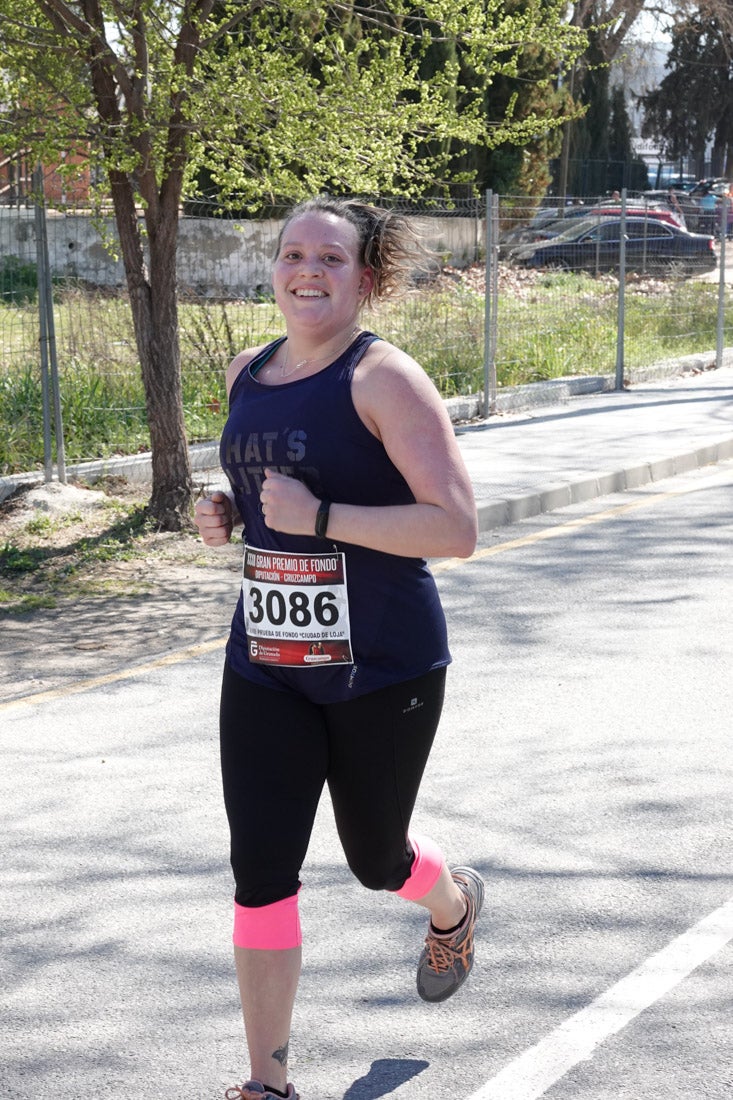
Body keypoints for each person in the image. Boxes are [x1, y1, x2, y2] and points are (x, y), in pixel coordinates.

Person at [194, 196, 484, 1100]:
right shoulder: (248, 370)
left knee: (374, 858)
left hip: (383, 666)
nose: (306, 270)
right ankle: (265, 1084)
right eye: (291, 254)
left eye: (329, 257)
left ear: (365, 276)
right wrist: (227, 511)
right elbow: (262, 486)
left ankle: (452, 901)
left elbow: (455, 527)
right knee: (260, 871)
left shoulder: (383, 378)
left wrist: (319, 519)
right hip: (269, 664)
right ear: (272, 268)